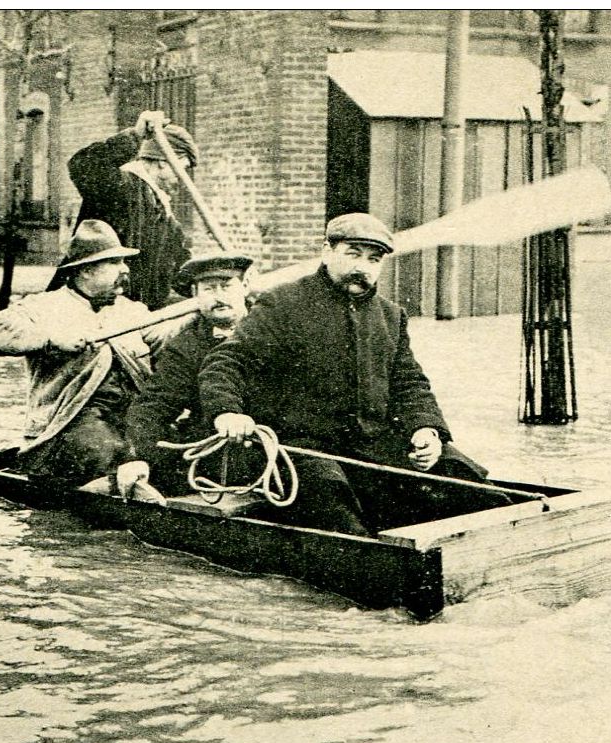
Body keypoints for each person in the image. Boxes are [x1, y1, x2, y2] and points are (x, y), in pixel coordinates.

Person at [196, 213, 492, 536]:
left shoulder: (390, 316)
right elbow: (227, 360)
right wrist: (227, 412)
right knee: (332, 499)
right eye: (353, 254)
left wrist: (427, 431)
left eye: (373, 259)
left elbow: (409, 384)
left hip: (371, 448)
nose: (363, 267)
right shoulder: (281, 304)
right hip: (300, 450)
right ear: (327, 251)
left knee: (461, 473)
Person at [0, 220, 156, 483]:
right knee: (108, 452)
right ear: (86, 271)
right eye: (114, 263)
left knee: (168, 448)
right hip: (65, 426)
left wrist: (213, 313)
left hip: (129, 418)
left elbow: (167, 338)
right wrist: (50, 339)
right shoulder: (43, 308)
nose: (125, 269)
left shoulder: (132, 311)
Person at [115, 253, 255, 500]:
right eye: (209, 289)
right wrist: (137, 458)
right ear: (195, 294)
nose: (219, 296)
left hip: (281, 437)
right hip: (221, 444)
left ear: (245, 286)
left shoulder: (272, 326)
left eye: (226, 286)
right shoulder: (186, 346)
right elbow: (154, 405)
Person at [46, 109, 195, 310]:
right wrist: (135, 136)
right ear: (162, 163)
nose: (183, 180)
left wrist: (220, 280)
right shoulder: (121, 186)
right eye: (182, 169)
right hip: (92, 306)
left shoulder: (163, 211)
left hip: (133, 313)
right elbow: (83, 165)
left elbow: (179, 265)